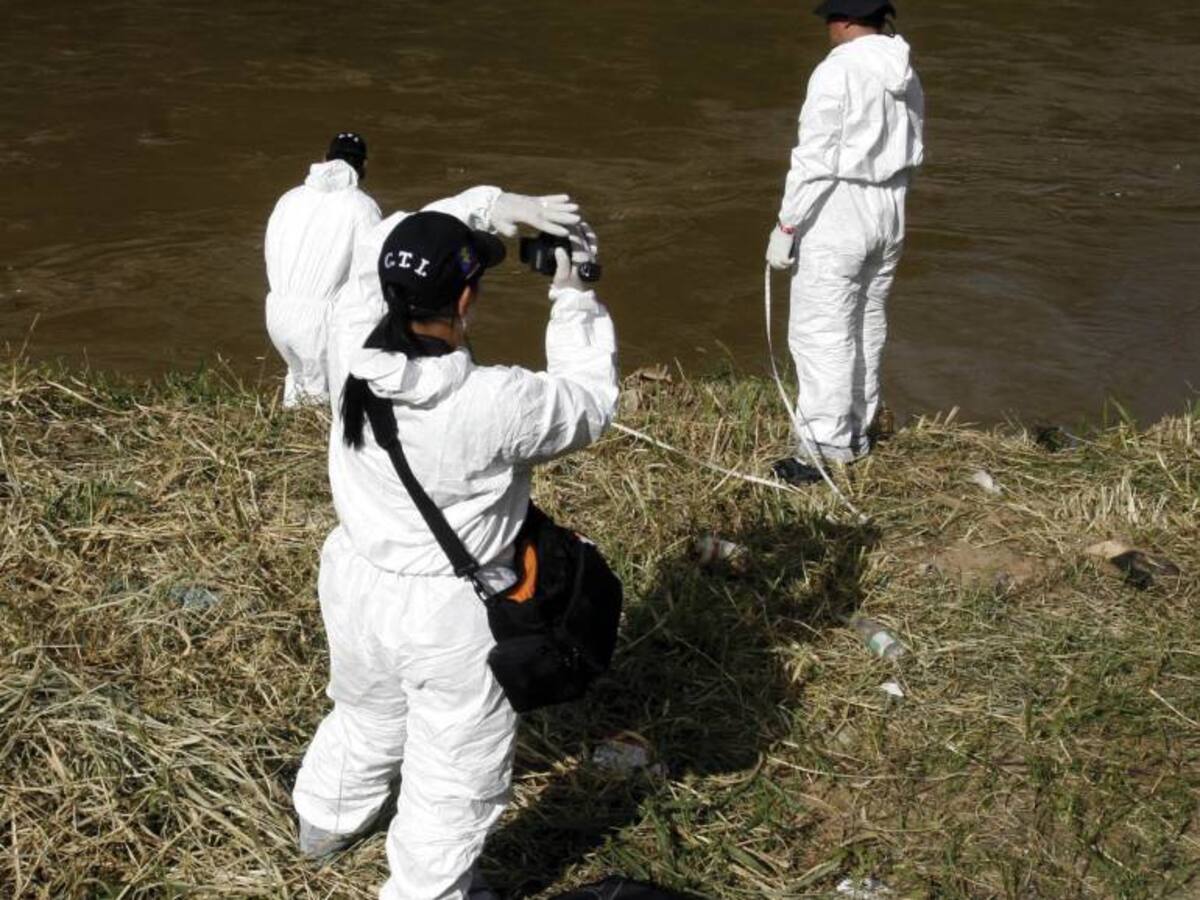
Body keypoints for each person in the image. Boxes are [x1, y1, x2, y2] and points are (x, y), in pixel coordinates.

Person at [291, 187, 618, 900]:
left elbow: (384, 242)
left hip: (354, 582)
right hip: (447, 618)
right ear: (466, 300)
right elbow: (590, 405)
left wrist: (488, 206)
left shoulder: (350, 336)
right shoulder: (495, 402)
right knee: (453, 770)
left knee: (365, 712)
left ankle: (322, 822)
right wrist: (574, 297)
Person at [766, 0, 924, 484]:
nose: (829, 28)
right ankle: (856, 431)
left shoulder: (836, 71)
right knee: (866, 323)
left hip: (840, 207)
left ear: (847, 21)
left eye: (831, 20)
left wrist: (787, 226)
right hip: (891, 204)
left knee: (822, 330)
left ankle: (820, 451)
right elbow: (914, 143)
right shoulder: (905, 72)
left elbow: (813, 157)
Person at [264, 132, 382, 407]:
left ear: (324, 158)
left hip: (276, 312)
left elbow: (271, 250)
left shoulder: (289, 198)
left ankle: (289, 425)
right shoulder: (362, 207)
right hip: (321, 321)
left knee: (298, 381)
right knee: (324, 402)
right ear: (363, 165)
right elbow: (372, 272)